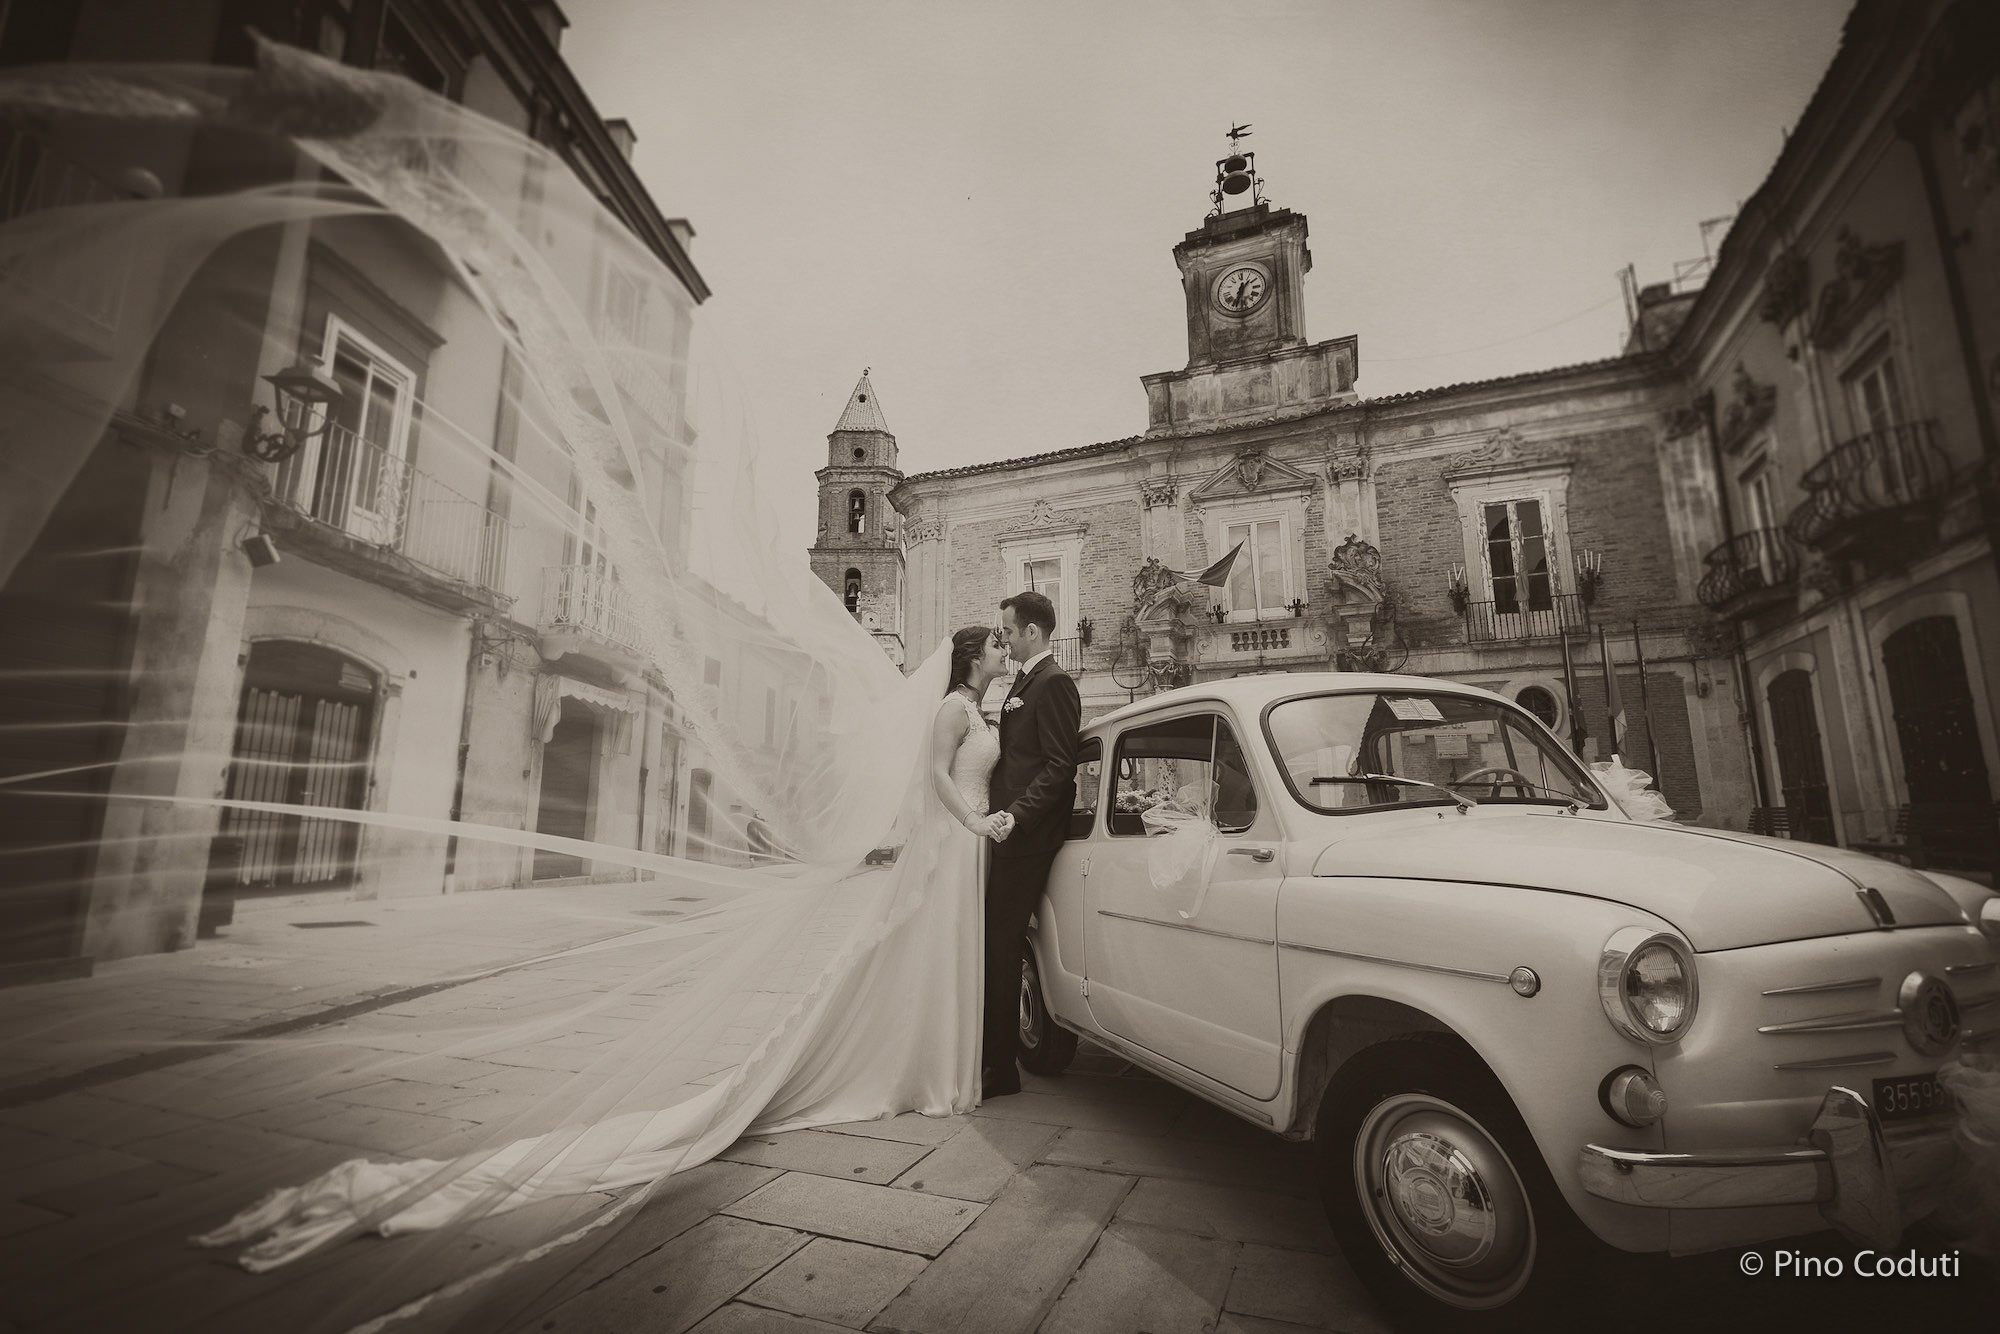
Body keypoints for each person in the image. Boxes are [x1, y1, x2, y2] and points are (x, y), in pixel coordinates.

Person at [986, 590, 1082, 1097]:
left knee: (1001, 947)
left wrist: (1016, 817)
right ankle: (993, 1059)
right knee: (997, 946)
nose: (1003, 640)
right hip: (1008, 833)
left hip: (1027, 838)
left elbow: (1059, 766)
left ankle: (1000, 1070)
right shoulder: (1023, 682)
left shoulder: (1055, 683)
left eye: (1007, 631)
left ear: (1032, 632)